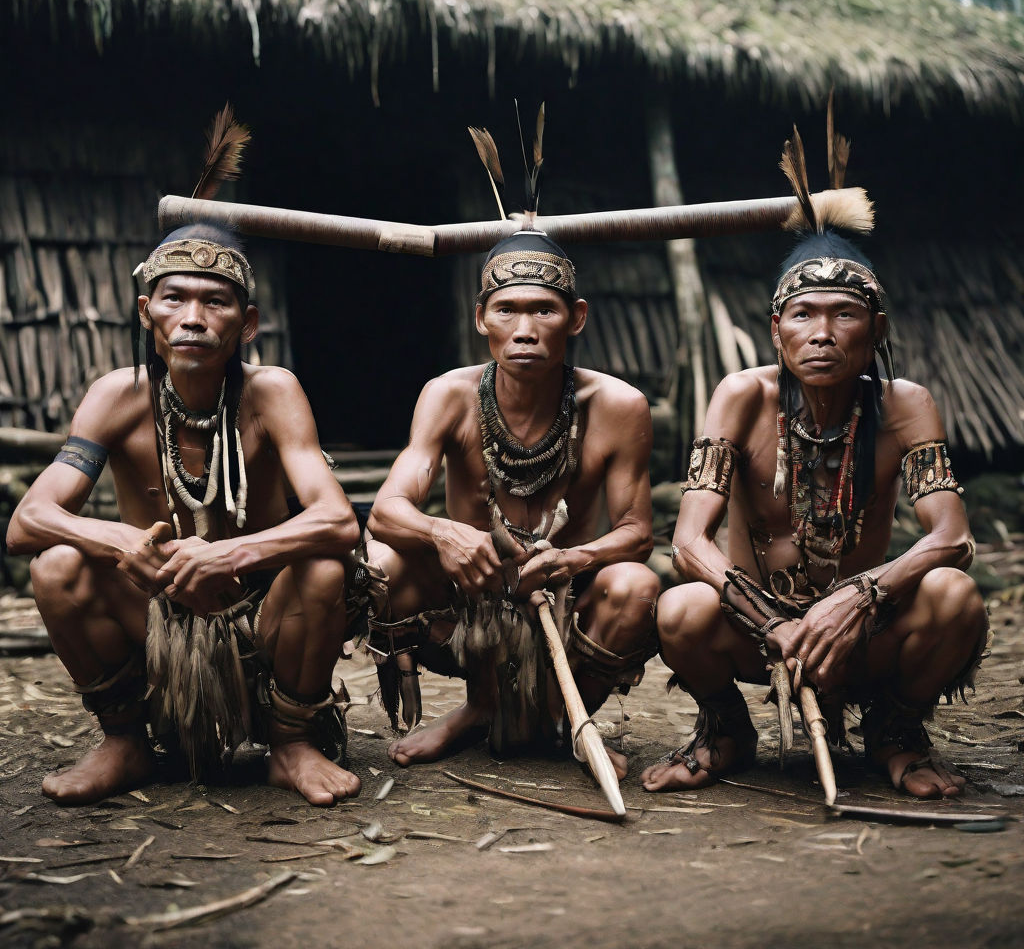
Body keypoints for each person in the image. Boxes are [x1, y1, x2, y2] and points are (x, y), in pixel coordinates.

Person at [642, 126, 987, 801]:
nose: (822, 334)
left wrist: (858, 599)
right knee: (680, 608)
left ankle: (898, 731)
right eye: (803, 314)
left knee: (955, 598)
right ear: (777, 328)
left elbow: (952, 539)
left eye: (845, 315)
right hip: (756, 624)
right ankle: (725, 731)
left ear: (877, 329)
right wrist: (773, 620)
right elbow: (687, 542)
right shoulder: (742, 397)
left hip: (864, 630)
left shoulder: (905, 405)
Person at [7, 223, 363, 806]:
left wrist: (229, 554)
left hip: (261, 619)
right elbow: (29, 521)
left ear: (245, 324)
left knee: (323, 569)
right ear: (148, 313)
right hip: (157, 624)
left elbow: (337, 521)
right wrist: (120, 541)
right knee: (56, 566)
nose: (192, 317)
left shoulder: (272, 392)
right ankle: (125, 742)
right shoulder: (116, 396)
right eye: (175, 298)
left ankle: (292, 744)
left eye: (215, 301)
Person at [362, 230, 660, 775]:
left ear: (577, 318)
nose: (524, 331)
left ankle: (565, 719)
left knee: (637, 586)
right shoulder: (449, 394)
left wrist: (575, 558)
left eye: (544, 310)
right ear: (481, 318)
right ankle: (480, 709)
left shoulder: (618, 405)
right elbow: (386, 511)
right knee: (379, 566)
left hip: (567, 599)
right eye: (507, 310)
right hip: (469, 597)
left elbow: (639, 532)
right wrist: (443, 533)